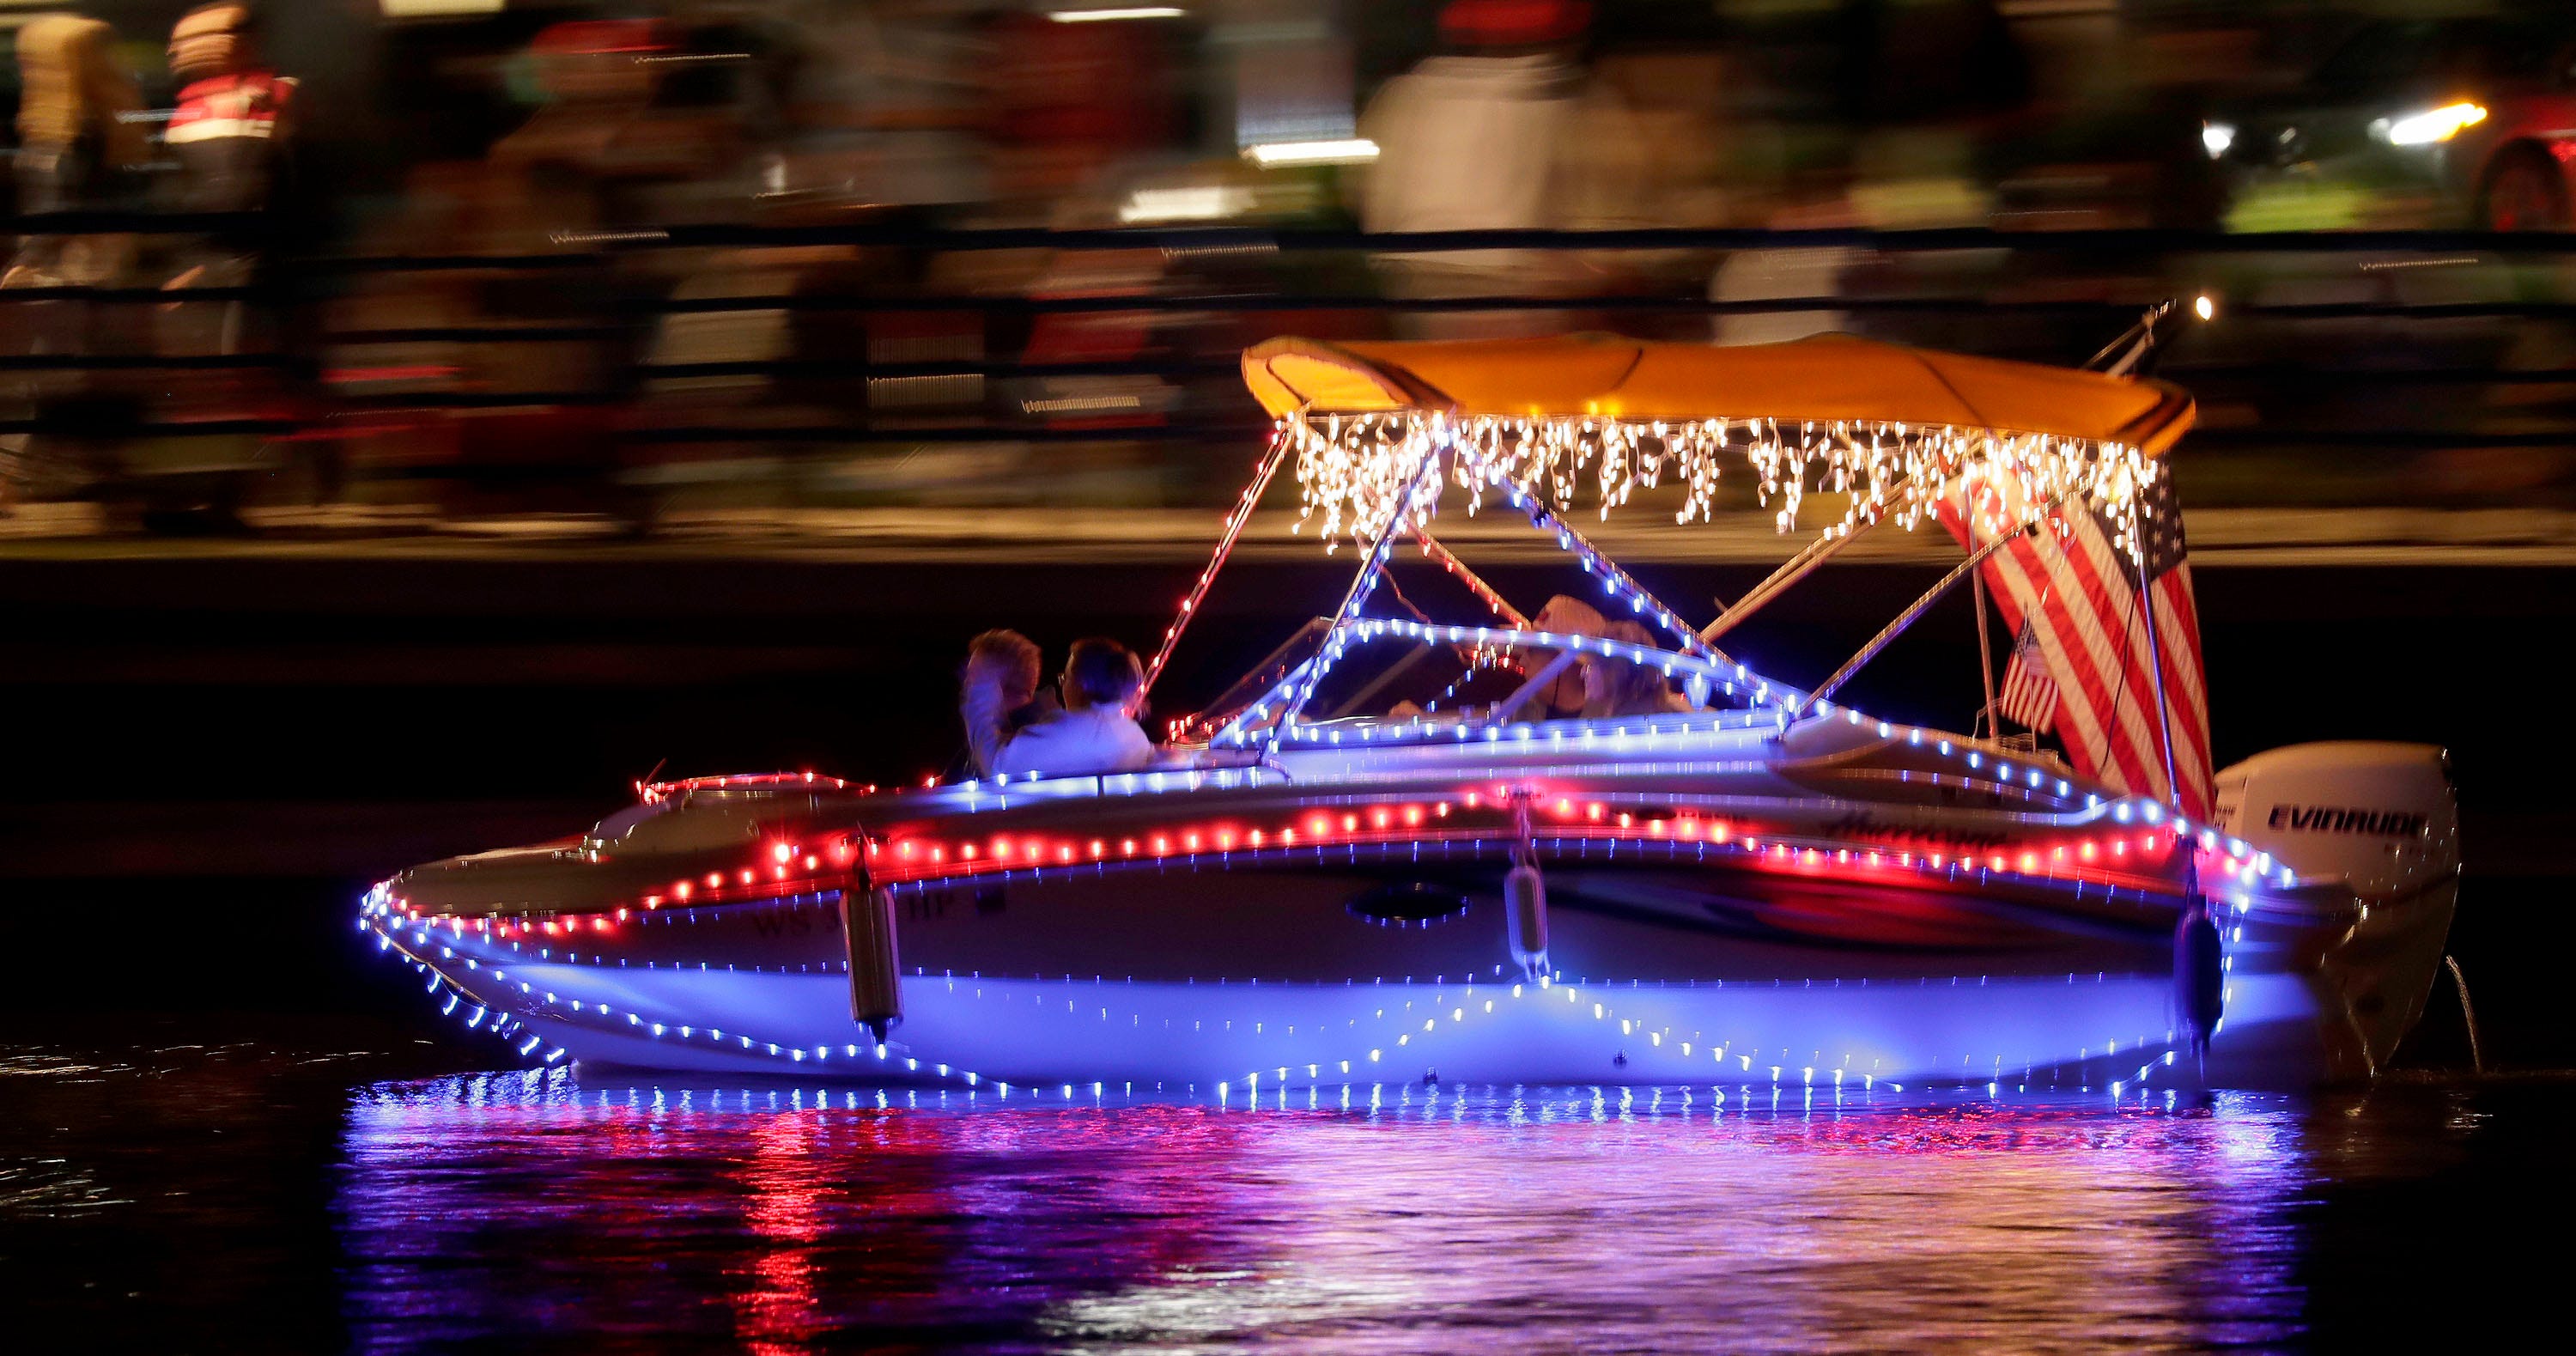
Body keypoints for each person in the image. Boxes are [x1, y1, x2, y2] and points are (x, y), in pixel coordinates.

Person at [983, 637, 1157, 779]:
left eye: (1065, 678)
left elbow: (995, 765)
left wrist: (979, 687)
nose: (1062, 685)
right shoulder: (1136, 736)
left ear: (1082, 684)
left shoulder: (1063, 733)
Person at [957, 629, 1056, 778]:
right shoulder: (995, 729)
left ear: (995, 682)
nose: (967, 684)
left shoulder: (1028, 744)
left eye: (975, 676)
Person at [1577, 620, 1691, 719]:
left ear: (1616, 671)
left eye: (1591, 665)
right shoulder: (1656, 709)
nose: (1583, 673)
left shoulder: (1632, 724)